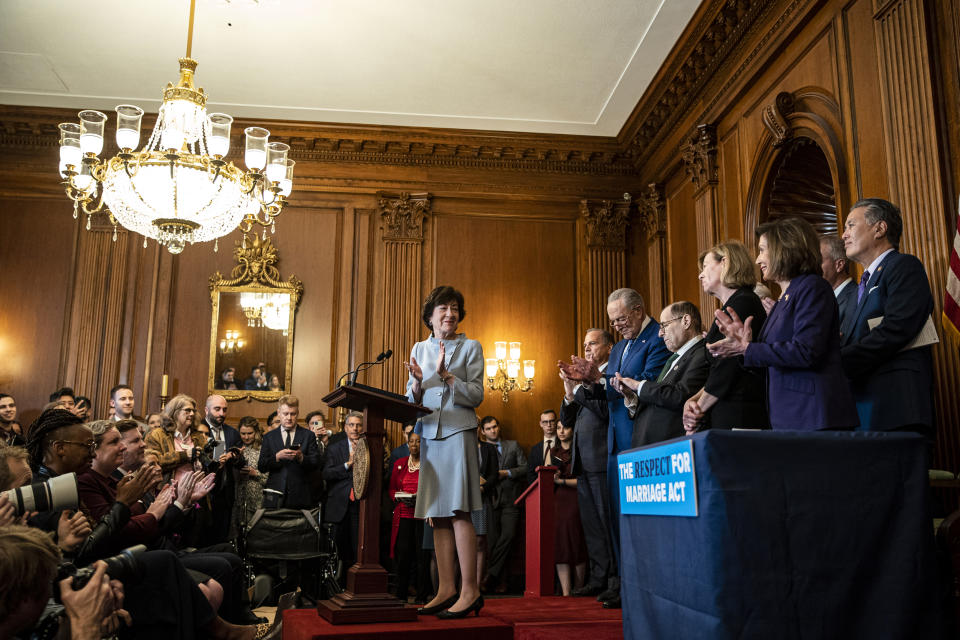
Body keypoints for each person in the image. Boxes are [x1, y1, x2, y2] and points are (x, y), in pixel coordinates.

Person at [557, 287, 669, 609]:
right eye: (613, 320)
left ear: (637, 310)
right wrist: (588, 383)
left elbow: (647, 383)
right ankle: (617, 581)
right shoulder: (620, 348)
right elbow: (607, 393)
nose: (618, 325)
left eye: (621, 318)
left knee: (629, 520)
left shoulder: (656, 339)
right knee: (614, 522)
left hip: (640, 440)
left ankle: (629, 582)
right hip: (613, 446)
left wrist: (595, 381)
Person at [709, 219, 859, 431]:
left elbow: (806, 351)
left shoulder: (813, 287)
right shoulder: (786, 297)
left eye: (762, 250)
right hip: (789, 417)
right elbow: (772, 363)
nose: (758, 259)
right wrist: (743, 347)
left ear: (784, 249)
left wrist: (748, 348)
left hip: (814, 416)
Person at [403, 285, 485, 618]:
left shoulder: (471, 347)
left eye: (454, 308)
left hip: (458, 432)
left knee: (460, 509)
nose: (449, 313)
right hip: (429, 435)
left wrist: (449, 377)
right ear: (430, 316)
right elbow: (411, 401)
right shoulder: (419, 348)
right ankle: (446, 588)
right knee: (437, 514)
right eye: (442, 308)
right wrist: (419, 383)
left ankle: (470, 591)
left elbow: (477, 394)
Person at [840, 198, 935, 439]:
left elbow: (896, 329)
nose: (843, 235)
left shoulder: (904, 266)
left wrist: (838, 362)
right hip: (860, 407)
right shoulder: (859, 287)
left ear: (879, 229)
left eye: (851, 225)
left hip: (896, 407)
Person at [682, 241, 769, 433]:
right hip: (726, 411)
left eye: (705, 266)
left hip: (741, 413)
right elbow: (718, 371)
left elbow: (727, 368)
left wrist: (698, 411)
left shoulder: (743, 302)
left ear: (725, 262)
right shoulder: (734, 303)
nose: (700, 274)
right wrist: (694, 400)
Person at [559, 328, 615, 598]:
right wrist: (570, 393)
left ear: (609, 347)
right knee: (591, 527)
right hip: (582, 462)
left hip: (604, 460)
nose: (587, 349)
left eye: (593, 344)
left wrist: (585, 387)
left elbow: (606, 410)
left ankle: (614, 580)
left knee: (607, 524)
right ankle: (598, 577)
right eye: (584, 344)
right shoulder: (583, 379)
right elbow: (568, 422)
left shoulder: (609, 375)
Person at [614, 301, 710, 446]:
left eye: (664, 325)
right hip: (653, 448)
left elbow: (679, 395)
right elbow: (660, 399)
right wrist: (631, 398)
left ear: (686, 321)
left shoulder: (702, 353)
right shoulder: (674, 359)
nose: (660, 333)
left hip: (675, 446)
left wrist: (638, 385)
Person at [478, 415, 526, 594]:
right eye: (488, 428)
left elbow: (525, 467)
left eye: (495, 427)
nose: (493, 430)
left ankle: (490, 575)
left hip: (511, 499)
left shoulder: (512, 446)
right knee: (492, 543)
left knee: (508, 537)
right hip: (489, 499)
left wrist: (506, 473)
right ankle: (500, 582)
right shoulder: (481, 449)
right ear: (482, 431)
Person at [258, 395, 319, 509]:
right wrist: (276, 457)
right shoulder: (269, 437)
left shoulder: (308, 435)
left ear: (298, 413)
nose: (289, 418)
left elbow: (316, 463)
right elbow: (261, 466)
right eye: (286, 414)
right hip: (274, 494)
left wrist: (301, 457)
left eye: (293, 414)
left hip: (300, 495)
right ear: (279, 413)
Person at [389, 430, 429, 604]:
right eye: (411, 442)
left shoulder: (429, 465)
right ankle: (401, 594)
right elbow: (391, 488)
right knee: (403, 557)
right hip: (403, 515)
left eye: (418, 442)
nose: (414, 445)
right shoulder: (400, 463)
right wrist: (397, 496)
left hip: (423, 516)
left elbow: (433, 489)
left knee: (422, 557)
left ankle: (422, 596)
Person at [322, 411, 363, 571]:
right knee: (337, 549)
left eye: (359, 425)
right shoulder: (334, 448)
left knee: (357, 549)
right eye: (351, 425)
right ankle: (337, 586)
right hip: (339, 504)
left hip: (360, 506)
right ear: (345, 428)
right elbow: (327, 473)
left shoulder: (369, 447)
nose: (355, 429)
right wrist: (348, 464)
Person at [550, 420, 586, 596]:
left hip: (577, 498)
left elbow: (584, 481)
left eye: (565, 426)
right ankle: (566, 592)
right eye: (558, 428)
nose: (561, 431)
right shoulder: (553, 451)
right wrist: (552, 477)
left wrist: (561, 480)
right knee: (561, 545)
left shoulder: (580, 449)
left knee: (576, 542)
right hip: (559, 499)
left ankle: (579, 588)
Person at [200, 395, 242, 545]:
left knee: (222, 537)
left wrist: (233, 456)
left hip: (225, 492)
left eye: (224, 410)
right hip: (203, 492)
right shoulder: (199, 430)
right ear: (206, 410)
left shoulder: (232, 432)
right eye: (217, 409)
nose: (221, 414)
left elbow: (241, 462)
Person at [144, 394, 207, 482]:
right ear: (175, 412)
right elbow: (152, 463)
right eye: (188, 410)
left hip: (197, 490)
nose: (192, 414)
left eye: (193, 411)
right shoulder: (157, 435)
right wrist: (184, 456)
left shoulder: (198, 436)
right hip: (168, 489)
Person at [233, 418, 267, 540]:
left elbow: (272, 479)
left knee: (257, 535)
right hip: (239, 500)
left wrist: (255, 473)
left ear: (256, 432)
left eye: (250, 433)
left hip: (258, 500)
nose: (246, 437)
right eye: (243, 434)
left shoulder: (264, 448)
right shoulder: (236, 448)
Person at [475, 428, 499, 591]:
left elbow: (494, 474)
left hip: (482, 497)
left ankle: (476, 585)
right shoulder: (460, 447)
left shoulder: (489, 448)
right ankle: (462, 584)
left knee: (480, 541)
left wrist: (483, 488)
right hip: (463, 498)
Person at [820, 234, 857, 329]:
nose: (813, 267)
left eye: (818, 261)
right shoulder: (823, 299)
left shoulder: (856, 297)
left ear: (839, 265)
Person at [526, 410, 558, 487]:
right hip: (539, 489)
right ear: (540, 424)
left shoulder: (563, 444)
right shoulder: (535, 449)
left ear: (556, 422)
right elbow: (530, 474)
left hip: (560, 489)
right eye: (545, 422)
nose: (549, 425)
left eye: (552, 421)